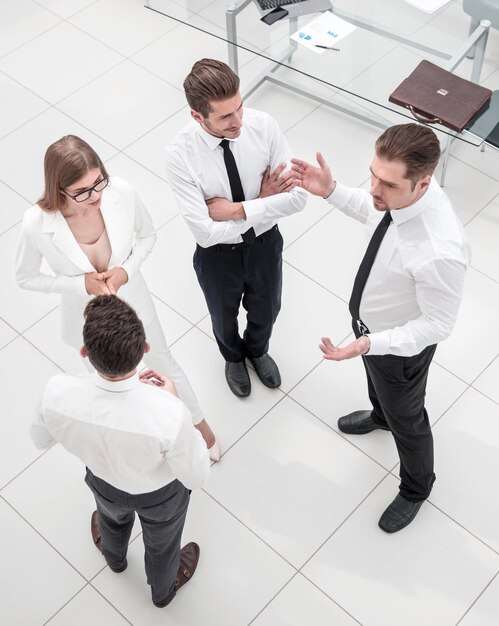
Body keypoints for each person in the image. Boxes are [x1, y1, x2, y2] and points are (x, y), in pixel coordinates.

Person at [291, 124, 470, 533]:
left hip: (398, 345)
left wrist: (372, 343)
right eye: (373, 173)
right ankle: (380, 415)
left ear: (423, 183)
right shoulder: (398, 196)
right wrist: (332, 189)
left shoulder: (440, 249)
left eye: (387, 184)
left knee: (408, 418)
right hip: (372, 334)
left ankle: (417, 486)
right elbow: (374, 210)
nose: (374, 188)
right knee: (381, 393)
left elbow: (439, 324)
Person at [15, 135, 220, 461]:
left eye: (99, 182)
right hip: (88, 322)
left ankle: (199, 425)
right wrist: (80, 284)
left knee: (163, 362)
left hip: (134, 303)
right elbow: (25, 277)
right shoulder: (36, 225)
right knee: (108, 383)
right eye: (82, 192)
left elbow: (148, 235)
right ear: (59, 190)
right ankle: (133, 441)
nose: (95, 195)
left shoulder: (121, 192)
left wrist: (126, 270)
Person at [30, 295, 210, 607]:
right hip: (161, 497)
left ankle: (114, 558)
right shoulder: (169, 413)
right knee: (163, 544)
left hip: (102, 482)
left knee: (110, 519)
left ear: (85, 353)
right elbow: (196, 475)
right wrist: (173, 401)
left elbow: (40, 440)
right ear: (145, 349)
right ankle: (163, 590)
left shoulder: (56, 393)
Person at [166, 58, 307, 397]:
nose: (238, 121)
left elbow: (298, 199)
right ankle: (233, 358)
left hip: (264, 244)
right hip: (217, 256)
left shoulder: (264, 126)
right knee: (223, 314)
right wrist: (265, 201)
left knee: (268, 307)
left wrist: (236, 210)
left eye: (240, 108)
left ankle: (257, 351)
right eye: (225, 117)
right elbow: (204, 233)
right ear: (197, 116)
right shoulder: (179, 155)